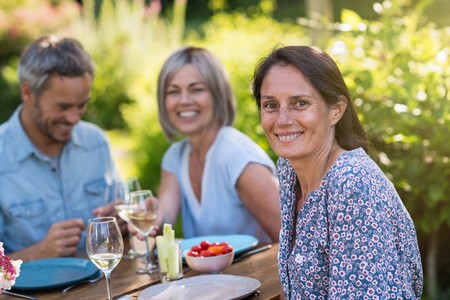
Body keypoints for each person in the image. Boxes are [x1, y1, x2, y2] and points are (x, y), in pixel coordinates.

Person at [252, 45, 423, 298]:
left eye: (300, 103)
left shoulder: (352, 184)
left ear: (336, 110)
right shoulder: (289, 168)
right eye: (270, 105)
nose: (283, 119)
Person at [0, 35, 123, 262]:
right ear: (27, 92)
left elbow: (124, 218)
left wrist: (122, 221)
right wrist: (37, 253)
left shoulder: (95, 142)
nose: (74, 118)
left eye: (82, 105)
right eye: (63, 107)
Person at [154, 46, 280, 243]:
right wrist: (147, 216)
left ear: (217, 95)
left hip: (255, 274)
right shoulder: (175, 156)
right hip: (207, 274)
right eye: (173, 91)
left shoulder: (237, 156)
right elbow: (163, 220)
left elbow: (291, 240)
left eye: (197, 89)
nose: (184, 101)